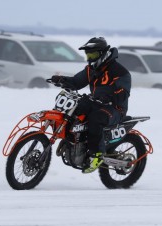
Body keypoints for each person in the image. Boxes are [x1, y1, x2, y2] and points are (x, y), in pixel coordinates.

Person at [51, 37, 131, 173]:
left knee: (96, 119)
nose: (89, 57)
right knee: (74, 110)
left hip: (115, 108)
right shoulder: (91, 69)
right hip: (96, 102)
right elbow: (77, 82)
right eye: (88, 54)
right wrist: (62, 80)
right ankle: (72, 141)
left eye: (92, 54)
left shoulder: (120, 72)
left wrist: (109, 97)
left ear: (102, 53)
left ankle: (97, 154)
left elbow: (123, 93)